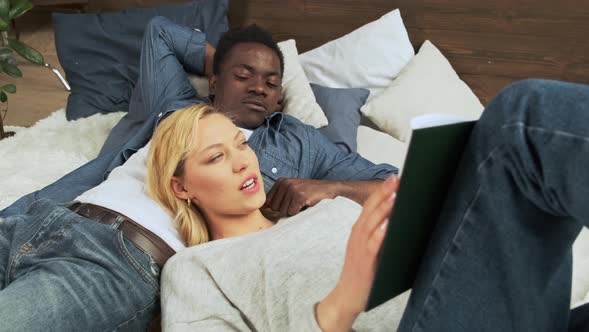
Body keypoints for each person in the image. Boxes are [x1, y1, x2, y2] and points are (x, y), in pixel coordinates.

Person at [155, 78, 589, 331]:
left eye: (240, 145)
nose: (241, 162)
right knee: (520, 123)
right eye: (215, 158)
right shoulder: (196, 270)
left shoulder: (316, 208)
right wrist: (341, 303)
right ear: (181, 189)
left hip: (477, 307)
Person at [0, 18, 396, 219]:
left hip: (129, 255)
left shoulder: (299, 140)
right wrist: (221, 65)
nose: (259, 87)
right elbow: (160, 33)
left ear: (280, 98)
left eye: (272, 83)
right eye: (244, 76)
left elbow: (392, 186)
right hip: (57, 210)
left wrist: (328, 189)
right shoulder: (176, 105)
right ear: (214, 83)